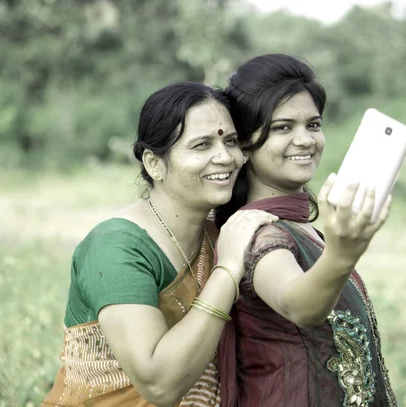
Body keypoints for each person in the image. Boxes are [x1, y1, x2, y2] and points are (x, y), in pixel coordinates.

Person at [41, 81, 277, 407]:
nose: (224, 157)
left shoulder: (219, 234)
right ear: (154, 164)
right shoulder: (115, 248)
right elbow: (160, 385)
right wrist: (228, 270)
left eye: (231, 141)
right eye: (201, 145)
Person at [214, 54, 398, 406]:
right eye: (283, 127)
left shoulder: (301, 228)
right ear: (245, 144)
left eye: (313, 125)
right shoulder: (260, 233)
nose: (305, 140)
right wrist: (343, 254)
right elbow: (296, 304)